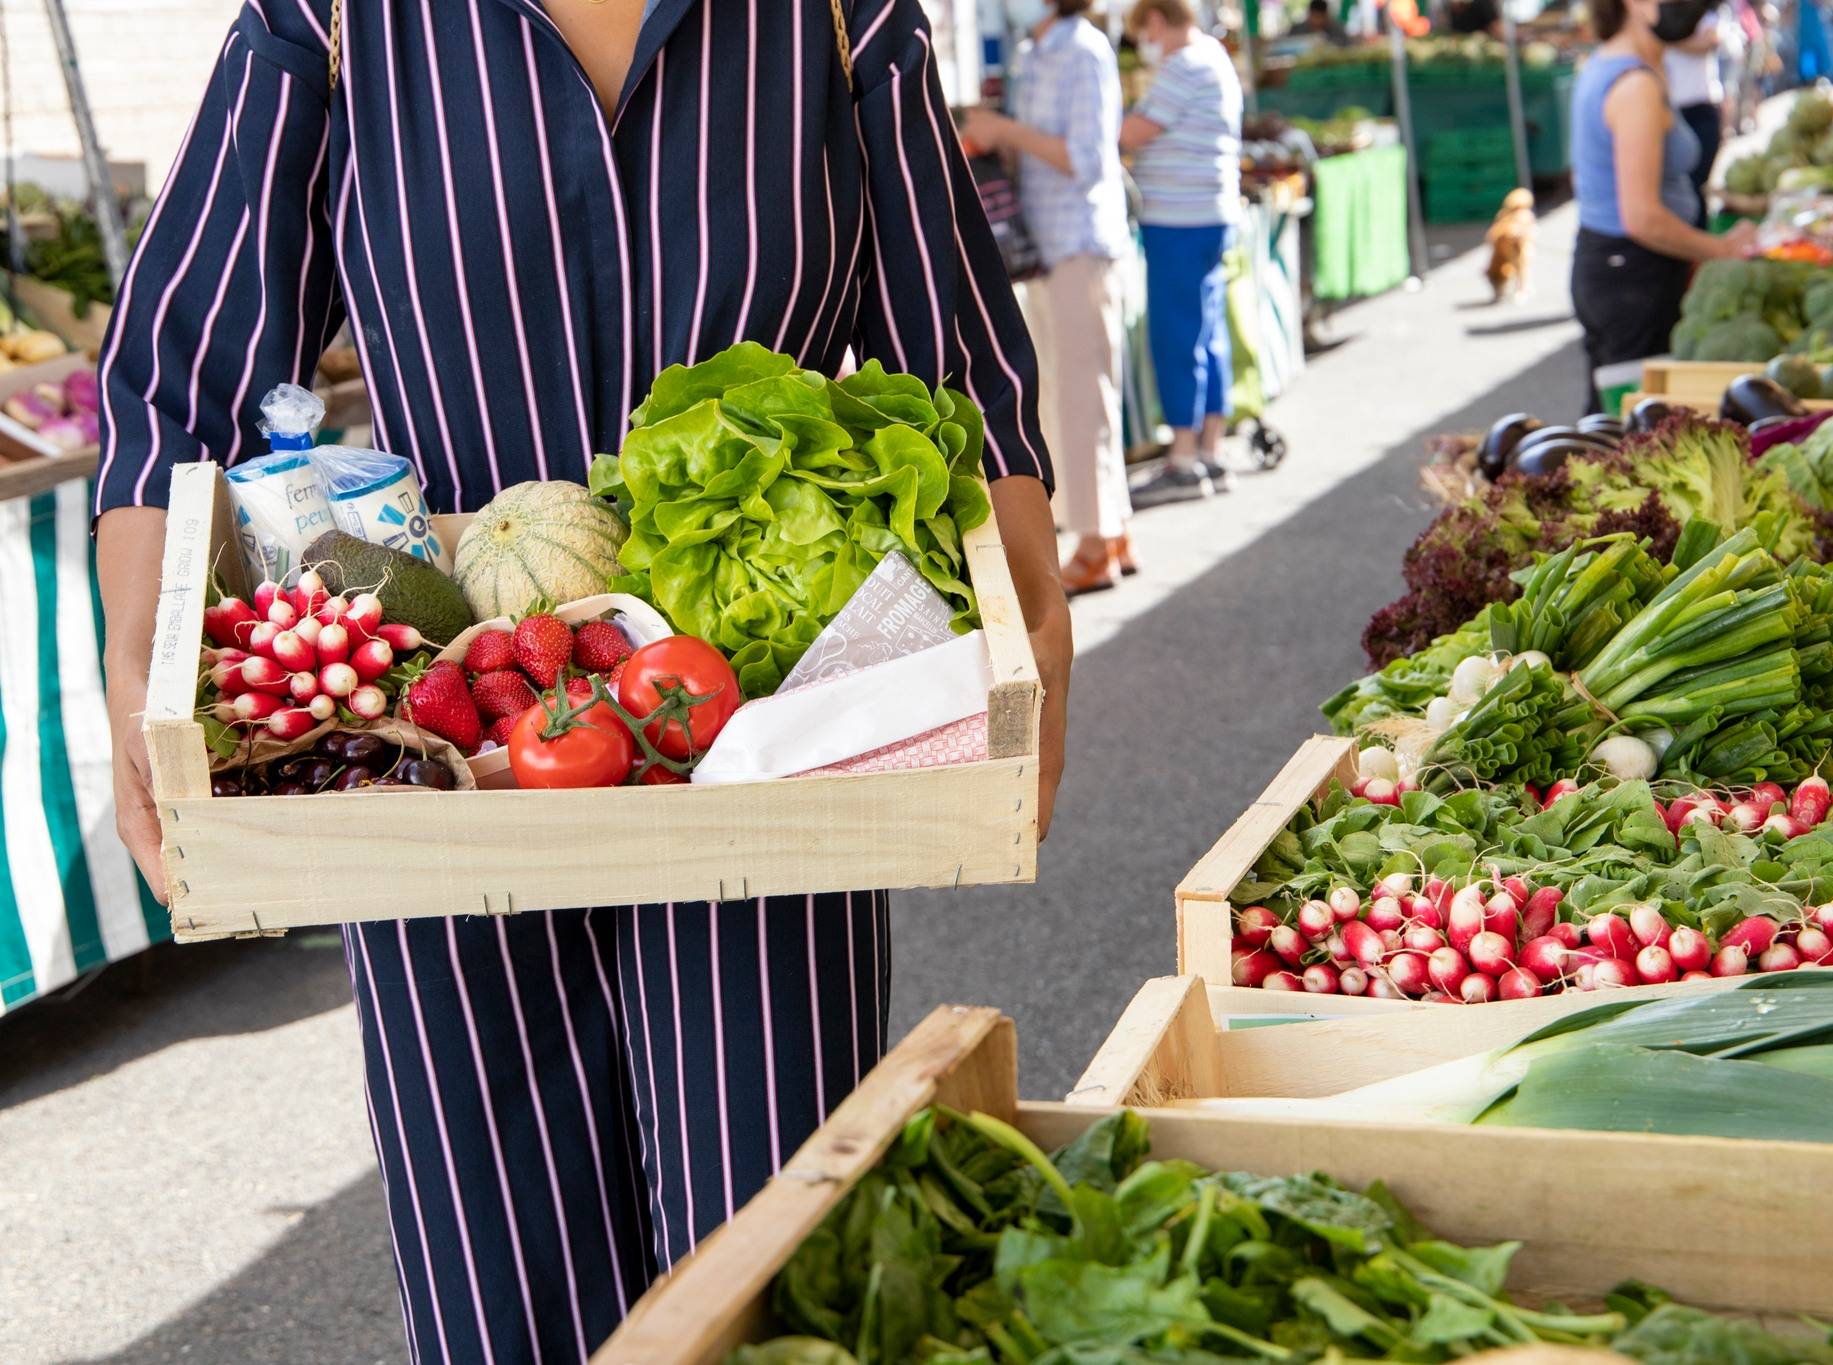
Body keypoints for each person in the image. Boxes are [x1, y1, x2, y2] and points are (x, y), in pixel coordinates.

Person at [94, 1, 1072, 1360]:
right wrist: (138, 676)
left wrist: (1037, 640)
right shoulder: (333, 23)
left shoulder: (841, 25)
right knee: (499, 1272)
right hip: (452, 741)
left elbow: (959, 364)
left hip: (761, 751)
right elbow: (180, 377)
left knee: (776, 1249)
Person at [963, 0, 1137, 594]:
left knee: (1082, 399)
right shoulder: (1036, 53)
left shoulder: (1083, 49)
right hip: (1046, 250)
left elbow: (1087, 159)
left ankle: (1094, 545)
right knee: (1070, 396)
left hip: (1079, 244)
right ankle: (1108, 532)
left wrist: (1003, 130)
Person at [1569, 0, 1755, 412]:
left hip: (1617, 268)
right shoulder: (1635, 86)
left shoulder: (1625, 65)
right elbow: (1642, 217)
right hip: (1633, 276)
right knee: (1628, 424)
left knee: (1610, 420)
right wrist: (1721, 249)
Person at [1122, 0, 1245, 504]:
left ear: (1154, 21)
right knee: (1207, 333)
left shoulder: (1184, 64)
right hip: (1209, 214)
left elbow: (1131, 133)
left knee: (1177, 338)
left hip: (1181, 219)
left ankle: (1183, 459)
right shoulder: (1214, 55)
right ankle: (1209, 453)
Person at [1665, 4, 1726, 226]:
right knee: (1683, 189)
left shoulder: (1705, 17)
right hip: (1675, 111)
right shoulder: (1662, 20)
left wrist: (1669, 39)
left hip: (1701, 110)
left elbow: (1710, 42)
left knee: (1696, 186)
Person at [1290, 0, 1355, 44]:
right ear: (1309, 15)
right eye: (1315, 17)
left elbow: (1347, 45)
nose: (1317, 22)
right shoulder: (1297, 30)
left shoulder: (1337, 30)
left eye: (1320, 17)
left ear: (1326, 16)